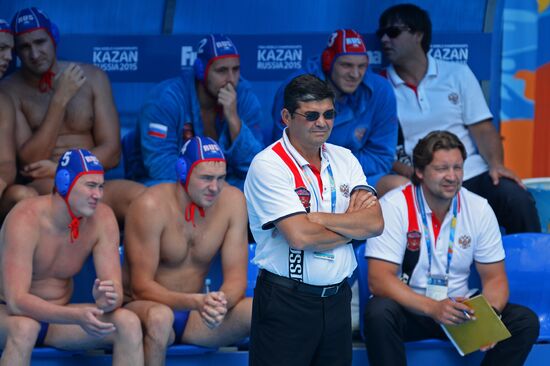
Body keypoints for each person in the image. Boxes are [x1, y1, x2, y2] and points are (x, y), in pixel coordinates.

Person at [363, 130, 539, 365]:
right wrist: (433, 308)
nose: (452, 176)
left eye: (458, 168)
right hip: (414, 309)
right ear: (419, 171)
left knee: (524, 321)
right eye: (441, 168)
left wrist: (490, 316)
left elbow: (495, 279)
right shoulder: (394, 205)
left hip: (461, 312)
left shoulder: (478, 207)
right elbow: (379, 280)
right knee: (379, 312)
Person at [245, 74, 384, 366]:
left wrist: (319, 218)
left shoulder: (345, 158)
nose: (322, 122)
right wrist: (350, 225)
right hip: (286, 301)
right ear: (286, 117)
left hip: (337, 301)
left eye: (329, 114)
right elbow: (301, 237)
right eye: (311, 115)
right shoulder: (268, 165)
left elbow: (374, 224)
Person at [376, 3, 540, 233]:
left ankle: (531, 265)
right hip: (421, 179)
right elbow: (379, 150)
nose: (384, 39)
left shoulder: (457, 73)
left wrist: (496, 165)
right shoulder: (379, 86)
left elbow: (482, 129)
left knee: (516, 198)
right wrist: (412, 173)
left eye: (393, 32)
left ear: (418, 35)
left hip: (470, 172)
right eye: (380, 34)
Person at [0, 148, 144, 366]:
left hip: (59, 319)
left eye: (101, 186)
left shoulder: (103, 218)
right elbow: (16, 302)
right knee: (25, 328)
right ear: (64, 183)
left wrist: (107, 299)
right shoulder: (25, 218)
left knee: (128, 323)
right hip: (8, 315)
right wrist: (75, 317)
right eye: (90, 186)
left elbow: (113, 289)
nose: (98, 194)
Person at [1, 7, 144, 222]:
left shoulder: (94, 77)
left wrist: (61, 168)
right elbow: (29, 162)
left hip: (92, 180)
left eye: (40, 42)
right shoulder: (10, 91)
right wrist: (60, 100)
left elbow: (113, 152)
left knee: (143, 200)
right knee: (29, 198)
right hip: (46, 186)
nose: (34, 54)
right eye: (24, 47)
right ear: (17, 54)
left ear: (54, 38)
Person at [123, 136, 251, 365]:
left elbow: (236, 279)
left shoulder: (233, 202)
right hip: (150, 310)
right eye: (206, 178)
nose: (215, 187)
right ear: (183, 172)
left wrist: (219, 303)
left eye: (221, 178)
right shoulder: (150, 206)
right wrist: (196, 302)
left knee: (262, 309)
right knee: (160, 319)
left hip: (198, 316)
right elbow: (140, 287)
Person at [130, 34, 264, 190]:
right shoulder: (165, 99)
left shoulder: (244, 97)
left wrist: (234, 120)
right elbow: (160, 166)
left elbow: (254, 168)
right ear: (201, 70)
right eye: (222, 71)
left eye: (235, 69)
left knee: (257, 189)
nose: (231, 79)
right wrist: (209, 187)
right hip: (176, 184)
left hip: (224, 184)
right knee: (158, 189)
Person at [271, 29, 398, 189]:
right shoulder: (298, 86)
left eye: (362, 66)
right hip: (305, 175)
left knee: (396, 185)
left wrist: (341, 171)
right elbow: (287, 151)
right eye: (346, 65)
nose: (355, 74)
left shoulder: (381, 90)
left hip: (357, 177)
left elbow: (380, 158)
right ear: (328, 62)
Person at [0, 18, 37, 220]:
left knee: (25, 196)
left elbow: (6, 165)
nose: (7, 57)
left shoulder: (3, 100)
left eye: (9, 50)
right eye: (1, 48)